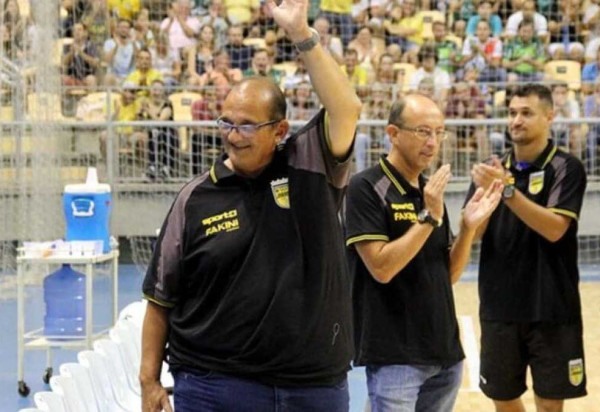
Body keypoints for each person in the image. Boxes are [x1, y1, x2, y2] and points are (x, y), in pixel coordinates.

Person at [140, 0, 362, 409]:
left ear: (280, 130)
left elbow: (346, 108)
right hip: (214, 385)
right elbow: (160, 296)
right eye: (226, 123)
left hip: (312, 386)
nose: (233, 135)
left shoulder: (311, 163)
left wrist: (300, 33)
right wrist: (148, 380)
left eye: (246, 125)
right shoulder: (195, 197)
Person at [345, 92, 503, 412]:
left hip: (445, 355)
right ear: (393, 134)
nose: (433, 142)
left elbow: (450, 275)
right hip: (395, 357)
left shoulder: (429, 191)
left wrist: (468, 227)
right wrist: (429, 218)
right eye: (422, 131)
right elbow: (381, 267)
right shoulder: (366, 187)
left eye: (438, 132)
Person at [467, 84, 587, 412]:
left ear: (549, 117)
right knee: (502, 397)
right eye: (512, 113)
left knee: (549, 404)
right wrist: (484, 198)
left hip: (551, 305)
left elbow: (554, 229)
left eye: (526, 113)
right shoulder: (492, 169)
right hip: (499, 304)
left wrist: (507, 191)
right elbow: (474, 233)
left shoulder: (566, 167)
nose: (516, 120)